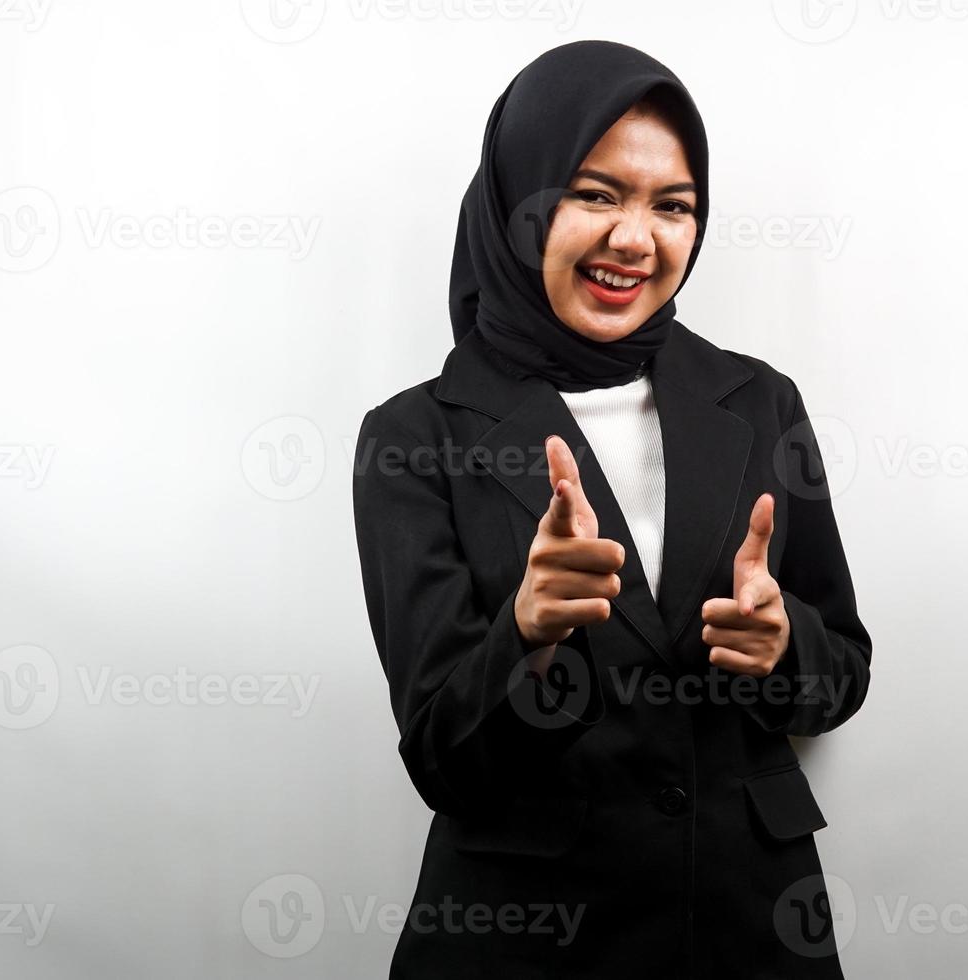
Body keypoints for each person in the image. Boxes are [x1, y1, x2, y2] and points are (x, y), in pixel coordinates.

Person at [352, 39, 873, 978]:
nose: (637, 239)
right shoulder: (415, 435)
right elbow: (439, 757)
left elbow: (842, 675)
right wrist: (528, 633)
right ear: (521, 202)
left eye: (672, 206)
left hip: (747, 926)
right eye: (595, 194)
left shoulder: (759, 404)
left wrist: (785, 643)